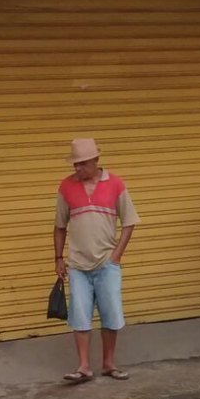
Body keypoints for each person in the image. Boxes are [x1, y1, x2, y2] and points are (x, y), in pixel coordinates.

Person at [53, 138, 140, 384]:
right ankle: (83, 366)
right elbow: (59, 226)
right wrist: (58, 258)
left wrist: (116, 256)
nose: (77, 168)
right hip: (78, 264)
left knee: (111, 314)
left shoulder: (115, 184)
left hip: (106, 262)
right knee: (79, 315)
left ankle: (109, 363)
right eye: (75, 164)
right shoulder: (66, 187)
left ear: (95, 161)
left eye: (82, 164)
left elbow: (129, 221)